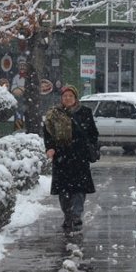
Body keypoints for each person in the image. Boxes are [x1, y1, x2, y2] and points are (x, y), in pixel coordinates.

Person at [43, 84, 99, 230]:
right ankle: (67, 215)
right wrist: (50, 148)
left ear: (75, 98)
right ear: (61, 98)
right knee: (64, 190)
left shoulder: (85, 112)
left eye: (70, 96)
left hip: (80, 156)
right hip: (62, 157)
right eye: (65, 96)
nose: (67, 98)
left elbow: (93, 133)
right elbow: (48, 133)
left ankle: (76, 215)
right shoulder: (54, 114)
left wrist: (90, 147)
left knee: (79, 189)